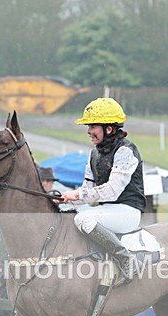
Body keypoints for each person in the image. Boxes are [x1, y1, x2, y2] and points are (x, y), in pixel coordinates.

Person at [55, 97, 145, 285]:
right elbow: (88, 190)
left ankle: (126, 259)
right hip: (107, 211)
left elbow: (111, 191)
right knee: (68, 213)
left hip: (128, 212)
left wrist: (77, 195)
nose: (88, 131)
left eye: (92, 126)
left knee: (83, 219)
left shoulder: (126, 151)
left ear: (109, 128)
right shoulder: (94, 153)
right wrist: (65, 199)